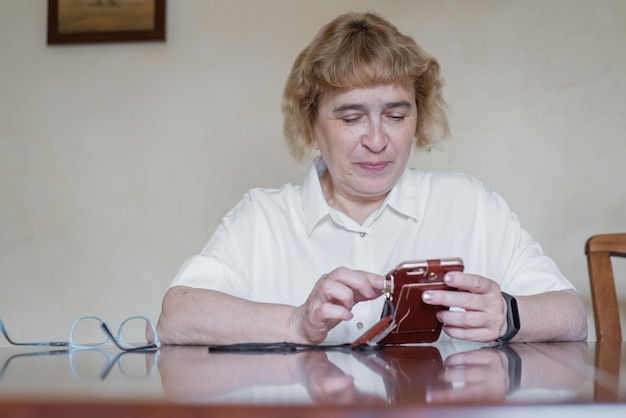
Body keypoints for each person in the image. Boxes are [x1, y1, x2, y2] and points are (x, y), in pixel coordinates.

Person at [156, 12, 587, 346]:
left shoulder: (469, 203)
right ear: (311, 123)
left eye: (397, 115)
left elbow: (572, 315)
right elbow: (177, 317)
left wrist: (509, 315)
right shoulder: (264, 216)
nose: (378, 140)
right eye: (351, 117)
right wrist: (296, 322)